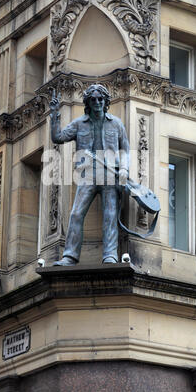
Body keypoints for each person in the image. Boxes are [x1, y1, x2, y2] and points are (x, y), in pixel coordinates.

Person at [49, 84, 130, 266]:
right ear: (88, 102)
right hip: (87, 174)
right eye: (93, 99)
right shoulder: (79, 124)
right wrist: (54, 115)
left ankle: (110, 254)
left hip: (110, 174)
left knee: (110, 214)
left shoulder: (116, 124)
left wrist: (124, 170)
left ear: (106, 101)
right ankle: (70, 256)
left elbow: (125, 150)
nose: (97, 102)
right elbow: (58, 137)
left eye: (100, 99)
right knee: (76, 214)